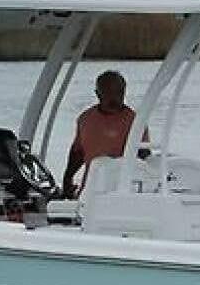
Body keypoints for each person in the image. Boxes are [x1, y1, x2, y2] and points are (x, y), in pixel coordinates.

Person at [62, 70, 148, 198]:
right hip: (90, 191)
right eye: (108, 93)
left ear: (124, 92)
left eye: (118, 92)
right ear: (98, 94)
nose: (114, 98)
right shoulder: (85, 119)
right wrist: (67, 179)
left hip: (123, 191)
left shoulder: (135, 122)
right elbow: (78, 153)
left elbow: (143, 159)